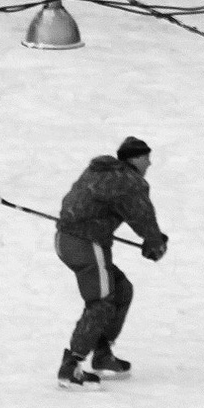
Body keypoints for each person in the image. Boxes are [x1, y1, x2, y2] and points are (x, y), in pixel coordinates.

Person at [52, 135, 167, 390]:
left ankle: (102, 353)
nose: (149, 163)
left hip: (66, 239)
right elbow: (142, 215)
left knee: (121, 289)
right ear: (135, 159)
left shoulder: (100, 171)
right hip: (85, 243)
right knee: (102, 301)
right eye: (146, 158)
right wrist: (155, 243)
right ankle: (71, 366)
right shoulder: (129, 181)